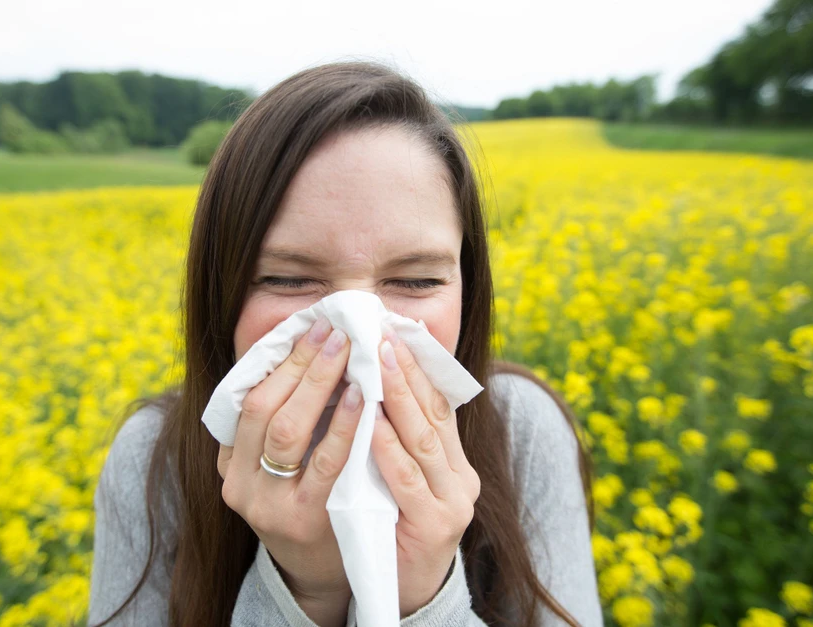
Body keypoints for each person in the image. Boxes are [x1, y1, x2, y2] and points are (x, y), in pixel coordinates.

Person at [87, 59, 602, 627]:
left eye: (416, 281)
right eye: (288, 279)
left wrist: (421, 598)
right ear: (220, 292)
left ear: (468, 289)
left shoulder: (521, 430)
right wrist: (306, 591)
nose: (358, 330)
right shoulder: (152, 462)